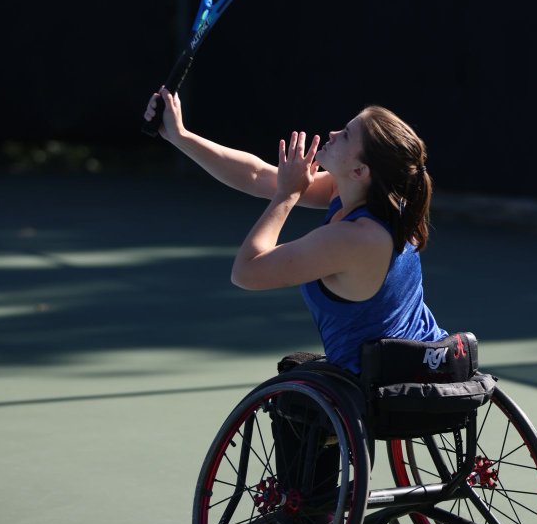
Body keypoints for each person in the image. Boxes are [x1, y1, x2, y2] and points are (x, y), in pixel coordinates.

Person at [143, 88, 447, 376]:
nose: (333, 134)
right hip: (421, 360)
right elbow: (257, 175)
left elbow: (246, 272)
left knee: (292, 398)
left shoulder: (353, 238)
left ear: (359, 171)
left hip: (379, 381)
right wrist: (180, 136)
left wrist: (286, 196)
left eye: (346, 136)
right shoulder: (376, 198)